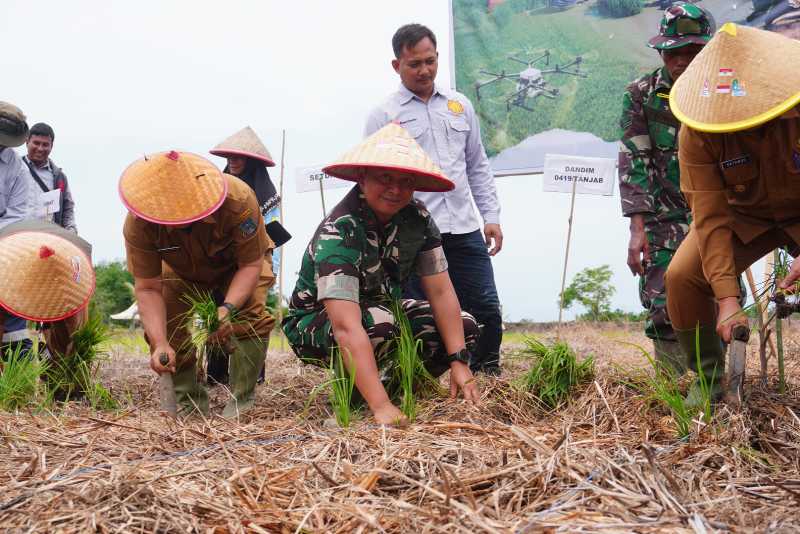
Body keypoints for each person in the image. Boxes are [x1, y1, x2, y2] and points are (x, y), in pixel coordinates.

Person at [282, 123, 481, 426]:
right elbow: (345, 326)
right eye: (385, 178)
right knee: (381, 324)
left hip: (382, 310)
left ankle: (399, 387)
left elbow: (441, 291)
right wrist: (381, 407)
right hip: (318, 323)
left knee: (464, 326)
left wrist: (459, 361)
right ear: (363, 177)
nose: (395, 190)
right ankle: (359, 403)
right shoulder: (340, 230)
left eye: (405, 181)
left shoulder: (418, 219)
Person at [665, 23, 800, 407]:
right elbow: (709, 216)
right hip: (746, 216)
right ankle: (708, 380)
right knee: (683, 276)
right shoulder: (698, 131)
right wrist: (727, 299)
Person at [364, 23, 504, 375]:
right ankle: (425, 380)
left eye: (430, 61)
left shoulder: (459, 106)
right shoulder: (384, 115)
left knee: (486, 307)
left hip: (464, 228)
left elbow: (477, 165)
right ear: (397, 66)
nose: (424, 70)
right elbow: (371, 179)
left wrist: (491, 216)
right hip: (413, 234)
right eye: (414, 64)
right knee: (421, 313)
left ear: (438, 57)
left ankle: (487, 377)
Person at [121, 150, 275, 418]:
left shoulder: (238, 199)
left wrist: (226, 309)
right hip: (180, 269)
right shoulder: (139, 223)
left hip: (237, 265)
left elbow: (251, 265)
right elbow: (148, 287)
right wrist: (160, 343)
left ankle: (241, 403)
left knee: (252, 312)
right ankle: (189, 404)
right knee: (167, 324)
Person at [618, 3, 715, 375]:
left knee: (720, 296)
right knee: (663, 302)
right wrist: (637, 229)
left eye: (692, 51)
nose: (681, 61)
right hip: (664, 220)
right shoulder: (642, 94)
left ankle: (716, 386)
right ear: (661, 51)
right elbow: (634, 160)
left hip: (714, 215)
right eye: (673, 52)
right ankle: (672, 389)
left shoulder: (722, 92)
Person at [207, 126, 290, 385]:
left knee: (252, 315)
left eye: (239, 157)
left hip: (256, 261)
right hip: (222, 262)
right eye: (230, 157)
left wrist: (271, 270)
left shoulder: (266, 196)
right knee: (217, 312)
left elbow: (274, 236)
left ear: (251, 162)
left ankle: (251, 377)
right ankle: (216, 375)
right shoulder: (218, 188)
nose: (233, 161)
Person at [0, 222, 94, 399]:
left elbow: (78, 336)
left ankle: (71, 389)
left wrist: (74, 372)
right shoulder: (6, 273)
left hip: (67, 255)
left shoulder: (71, 280)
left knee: (72, 336)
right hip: (14, 247)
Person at [0, 102, 33, 356]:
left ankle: (17, 362)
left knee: (13, 299)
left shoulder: (17, 167)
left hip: (4, 242)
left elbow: (17, 214)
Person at [22, 122, 78, 233]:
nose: (40, 148)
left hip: (47, 237)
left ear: (51, 146)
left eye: (45, 145)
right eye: (36, 143)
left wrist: (71, 231)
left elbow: (67, 209)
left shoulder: (59, 177)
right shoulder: (14, 169)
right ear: (27, 142)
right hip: (16, 235)